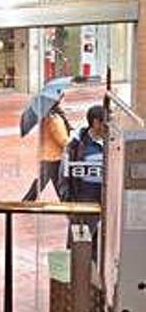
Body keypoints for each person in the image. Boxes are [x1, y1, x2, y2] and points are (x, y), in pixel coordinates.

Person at [61, 105, 106, 258]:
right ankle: (73, 279)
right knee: (77, 247)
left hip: (105, 203)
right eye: (105, 122)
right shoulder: (76, 145)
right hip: (83, 203)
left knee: (99, 250)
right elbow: (64, 175)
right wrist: (68, 202)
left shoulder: (112, 142)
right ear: (95, 122)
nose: (108, 125)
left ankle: (93, 279)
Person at [22, 97, 71, 201]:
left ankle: (27, 201)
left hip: (46, 155)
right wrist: (72, 144)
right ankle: (66, 203)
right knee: (57, 183)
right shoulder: (54, 119)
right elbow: (62, 140)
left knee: (43, 182)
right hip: (54, 157)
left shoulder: (45, 117)